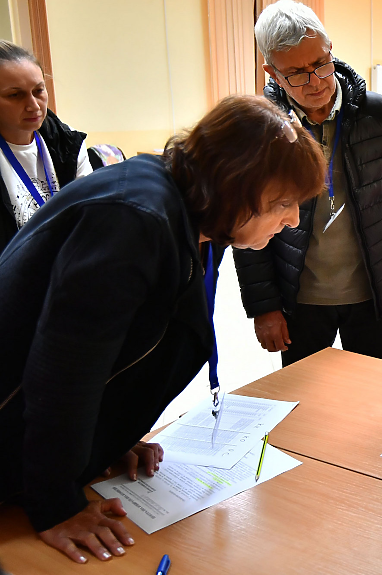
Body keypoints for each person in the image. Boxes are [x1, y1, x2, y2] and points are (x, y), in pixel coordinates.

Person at [0, 95, 326, 563]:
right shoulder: (135, 219)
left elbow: (118, 347)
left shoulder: (186, 213)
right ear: (236, 185)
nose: (293, 219)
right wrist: (55, 506)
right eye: (282, 203)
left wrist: (108, 435)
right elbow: (62, 374)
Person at [234, 0, 382, 366]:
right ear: (272, 72)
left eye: (320, 64)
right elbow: (247, 224)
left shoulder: (379, 114)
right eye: (297, 73)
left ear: (330, 49)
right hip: (299, 297)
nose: (315, 81)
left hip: (371, 289)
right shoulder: (258, 129)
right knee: (303, 403)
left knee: (370, 400)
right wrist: (264, 307)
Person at [0, 41, 92, 254]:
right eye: (15, 95)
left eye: (38, 90)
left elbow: (89, 216)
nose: (34, 105)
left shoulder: (67, 142)